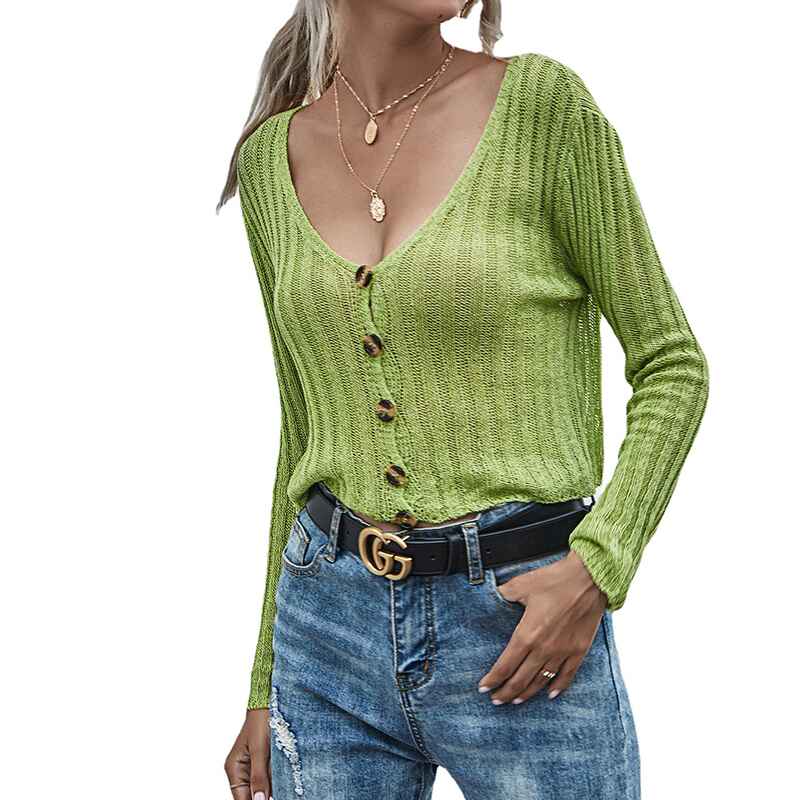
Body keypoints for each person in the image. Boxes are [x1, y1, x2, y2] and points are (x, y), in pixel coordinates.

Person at [218, 1, 710, 798]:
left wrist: (596, 567)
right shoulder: (272, 162)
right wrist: (262, 683)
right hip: (326, 637)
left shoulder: (543, 109)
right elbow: (301, 431)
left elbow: (672, 364)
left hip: (523, 629)